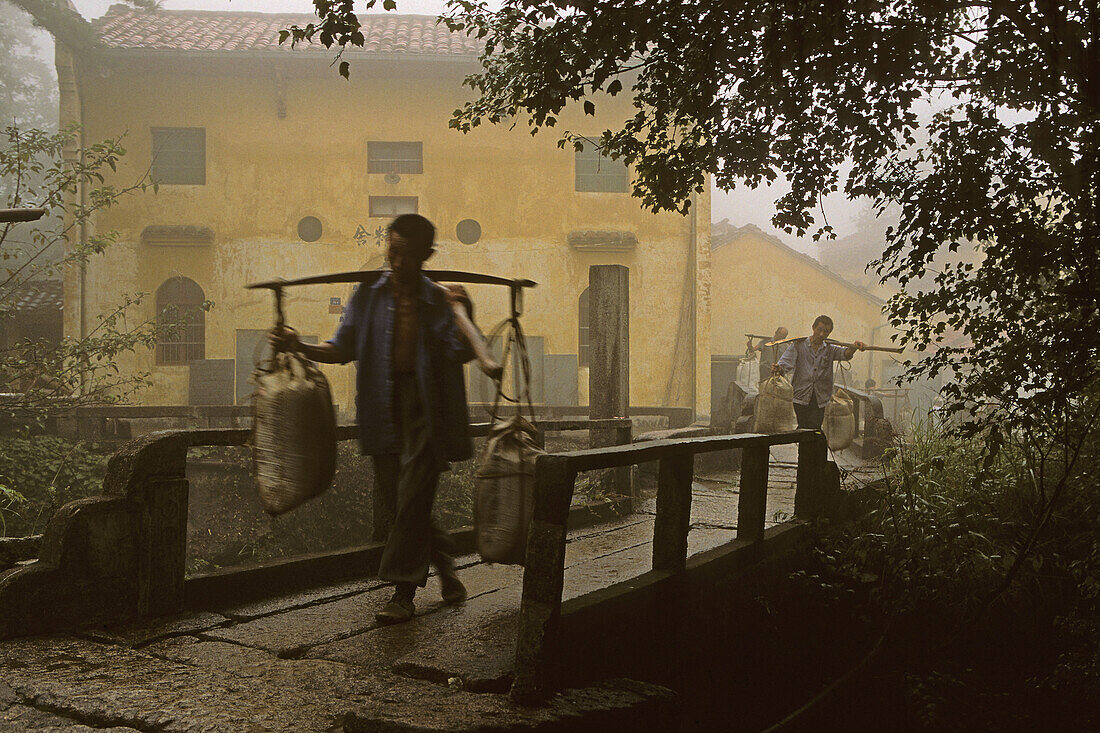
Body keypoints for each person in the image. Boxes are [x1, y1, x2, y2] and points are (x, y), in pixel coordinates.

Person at [270, 214, 478, 624]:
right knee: (403, 502)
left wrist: (464, 308)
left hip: (425, 410)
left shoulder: (437, 299)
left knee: (414, 494)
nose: (398, 263)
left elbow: (461, 351)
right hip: (381, 408)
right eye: (393, 252)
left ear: (427, 256)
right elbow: (342, 347)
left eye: (409, 256)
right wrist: (299, 345)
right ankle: (448, 570)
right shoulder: (367, 296)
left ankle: (402, 594)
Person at [772, 315, 866, 430]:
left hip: (821, 397)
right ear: (813, 328)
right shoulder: (798, 345)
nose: (822, 334)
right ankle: (806, 447)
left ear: (829, 333)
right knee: (804, 427)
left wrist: (854, 347)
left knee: (815, 427)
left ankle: (813, 447)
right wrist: (779, 369)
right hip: (801, 395)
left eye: (825, 331)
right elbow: (785, 362)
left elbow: (845, 354)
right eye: (819, 330)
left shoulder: (830, 349)